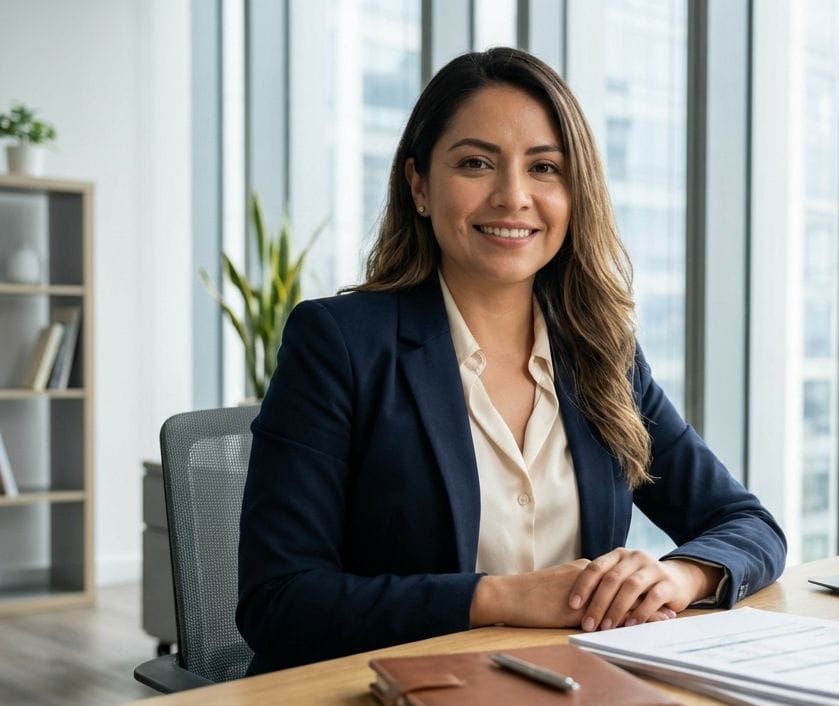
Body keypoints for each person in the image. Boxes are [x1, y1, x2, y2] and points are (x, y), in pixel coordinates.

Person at [236, 47, 788, 674]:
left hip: (575, 695)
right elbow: (278, 600)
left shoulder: (600, 351)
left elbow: (746, 523)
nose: (513, 196)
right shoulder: (338, 344)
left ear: (575, 193)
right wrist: (497, 597)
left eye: (545, 168)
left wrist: (681, 578)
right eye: (476, 163)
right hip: (386, 705)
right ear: (419, 185)